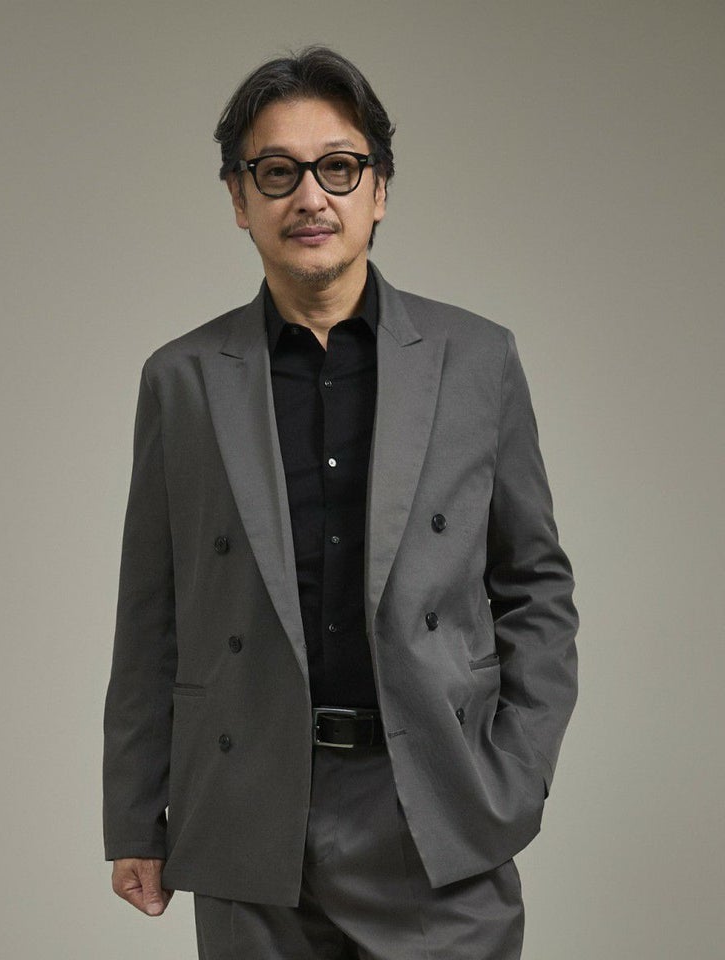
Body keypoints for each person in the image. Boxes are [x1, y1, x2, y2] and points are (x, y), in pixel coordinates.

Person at [103, 46, 578, 960]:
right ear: (239, 199)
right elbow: (150, 612)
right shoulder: (183, 380)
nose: (310, 197)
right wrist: (133, 814)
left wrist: (516, 772)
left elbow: (536, 587)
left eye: (339, 168)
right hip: (248, 810)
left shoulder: (477, 360)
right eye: (277, 172)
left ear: (379, 189)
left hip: (434, 804)